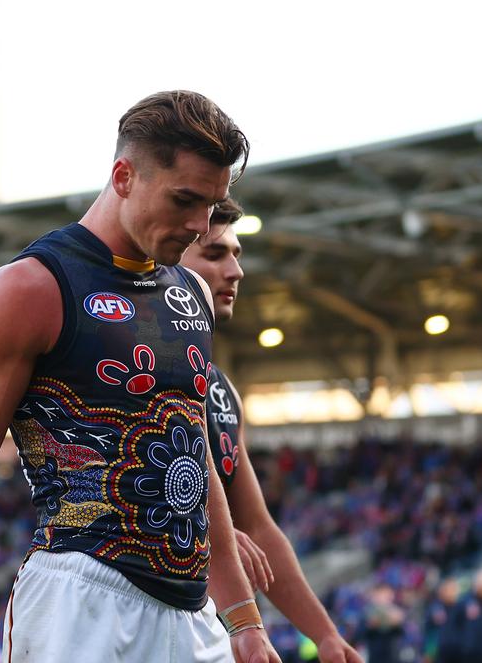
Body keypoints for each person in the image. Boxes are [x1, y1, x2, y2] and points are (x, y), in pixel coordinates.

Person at [0, 91, 279, 662]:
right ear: (123, 175)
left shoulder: (191, 294)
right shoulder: (32, 287)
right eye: (184, 199)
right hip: (80, 600)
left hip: (193, 612)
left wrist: (243, 618)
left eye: (213, 205)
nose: (198, 224)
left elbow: (193, 454)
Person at [180, 199, 363, 663]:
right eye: (216, 254)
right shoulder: (132, 367)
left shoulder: (222, 392)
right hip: (123, 612)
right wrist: (210, 531)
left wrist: (324, 634)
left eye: (237, 254)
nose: (237, 270)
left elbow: (258, 526)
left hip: (207, 624)